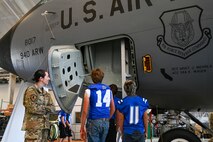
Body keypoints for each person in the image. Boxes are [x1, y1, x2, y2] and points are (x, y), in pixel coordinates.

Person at [80, 68, 115, 142]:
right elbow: (113, 109)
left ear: (92, 78)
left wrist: (82, 126)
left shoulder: (88, 91)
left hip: (94, 121)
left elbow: (85, 111)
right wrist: (107, 119)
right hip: (105, 122)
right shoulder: (109, 90)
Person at [22, 69, 56, 142]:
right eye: (47, 76)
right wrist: (47, 108)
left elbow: (53, 109)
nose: (49, 78)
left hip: (45, 129)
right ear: (41, 78)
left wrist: (54, 125)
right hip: (34, 129)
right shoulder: (31, 91)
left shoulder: (46, 94)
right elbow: (32, 108)